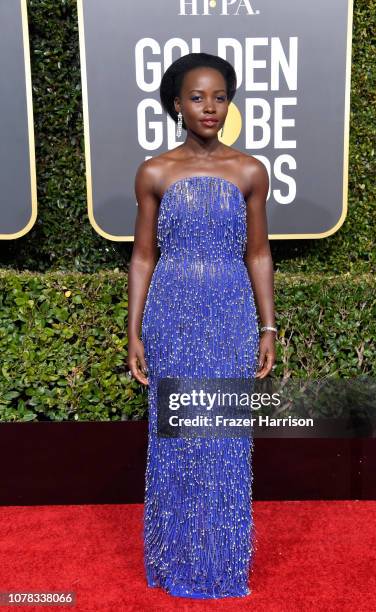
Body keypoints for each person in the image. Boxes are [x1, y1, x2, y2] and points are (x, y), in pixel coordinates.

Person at [127, 52, 276, 599]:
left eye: (218, 97)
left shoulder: (249, 170)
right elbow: (143, 256)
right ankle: (173, 558)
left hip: (231, 312)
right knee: (177, 440)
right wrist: (134, 330)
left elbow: (258, 254)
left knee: (223, 441)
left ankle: (220, 564)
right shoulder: (155, 171)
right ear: (177, 104)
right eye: (197, 97)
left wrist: (267, 328)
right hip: (171, 314)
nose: (209, 107)